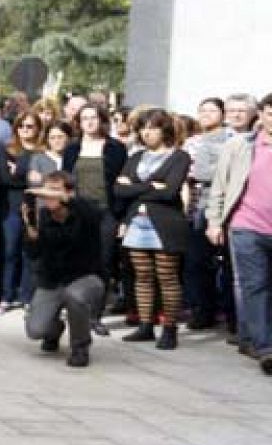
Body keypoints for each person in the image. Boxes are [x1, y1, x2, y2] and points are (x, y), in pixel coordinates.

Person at [115, 109, 192, 350]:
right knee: (143, 276)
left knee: (167, 278)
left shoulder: (179, 156)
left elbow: (170, 192)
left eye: (152, 127)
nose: (146, 132)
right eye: (143, 128)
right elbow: (118, 189)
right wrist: (150, 185)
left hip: (165, 225)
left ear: (165, 130)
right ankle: (145, 325)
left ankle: (169, 328)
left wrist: (135, 186)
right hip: (137, 223)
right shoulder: (136, 157)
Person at [206, 92, 272, 371]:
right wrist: (214, 221)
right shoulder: (240, 146)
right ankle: (265, 347)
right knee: (254, 286)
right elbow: (220, 186)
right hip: (247, 226)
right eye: (270, 113)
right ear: (262, 114)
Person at [22, 172, 105, 368]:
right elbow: (34, 254)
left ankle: (80, 348)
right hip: (53, 281)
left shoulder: (85, 212)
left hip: (86, 277)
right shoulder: (43, 216)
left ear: (69, 193)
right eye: (46, 190)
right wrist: (30, 232)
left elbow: (95, 214)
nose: (49, 196)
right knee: (35, 330)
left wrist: (67, 199)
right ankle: (54, 329)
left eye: (55, 191)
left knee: (74, 296)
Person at [63, 103, 128, 328]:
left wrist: (122, 217)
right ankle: (75, 310)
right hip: (78, 214)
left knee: (104, 263)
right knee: (76, 263)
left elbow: (121, 183)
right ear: (78, 123)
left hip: (106, 212)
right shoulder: (72, 149)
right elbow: (65, 183)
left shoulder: (115, 148)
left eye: (94, 117)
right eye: (85, 118)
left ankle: (95, 315)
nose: (89, 122)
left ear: (102, 121)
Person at [183, 97, 233, 331]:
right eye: (202, 110)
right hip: (194, 208)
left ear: (222, 114)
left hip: (221, 206)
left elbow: (203, 172)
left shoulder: (232, 139)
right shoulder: (192, 141)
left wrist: (206, 170)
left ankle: (231, 315)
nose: (205, 114)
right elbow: (185, 170)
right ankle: (202, 310)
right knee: (196, 263)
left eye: (211, 110)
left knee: (227, 264)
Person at [0, 112, 55, 312]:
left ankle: (27, 295)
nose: (25, 130)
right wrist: (29, 178)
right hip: (13, 205)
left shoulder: (44, 152)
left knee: (31, 253)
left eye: (30, 126)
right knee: (10, 250)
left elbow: (47, 180)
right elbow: (6, 179)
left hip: (38, 205)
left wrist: (19, 173)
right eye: (21, 126)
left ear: (39, 129)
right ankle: (6, 294)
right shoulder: (7, 149)